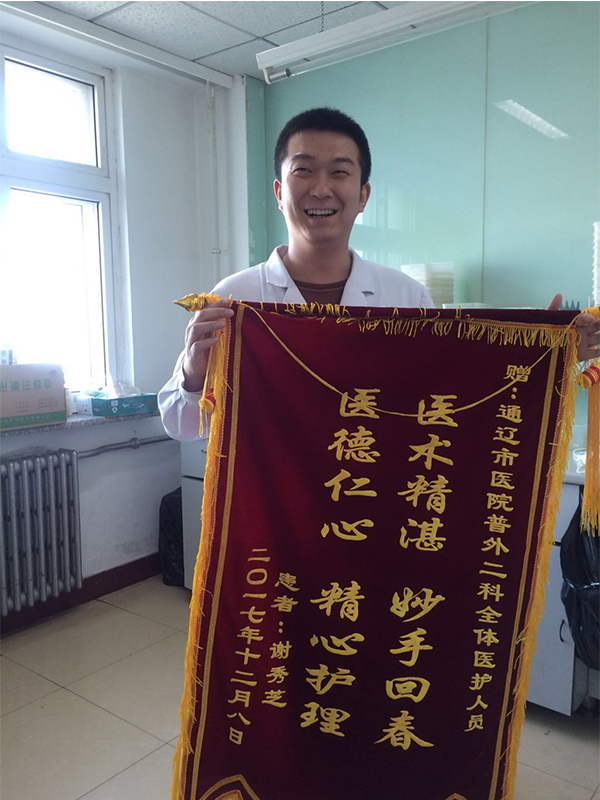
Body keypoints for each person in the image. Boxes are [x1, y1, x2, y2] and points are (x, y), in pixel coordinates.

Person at [159, 108, 599, 442]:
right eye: (303, 170)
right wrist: (194, 374)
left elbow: (453, 397)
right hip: (276, 517)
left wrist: (546, 354)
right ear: (279, 191)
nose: (321, 188)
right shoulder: (234, 299)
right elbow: (182, 426)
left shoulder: (406, 297)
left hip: (374, 507)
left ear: (363, 195)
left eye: (340, 172)